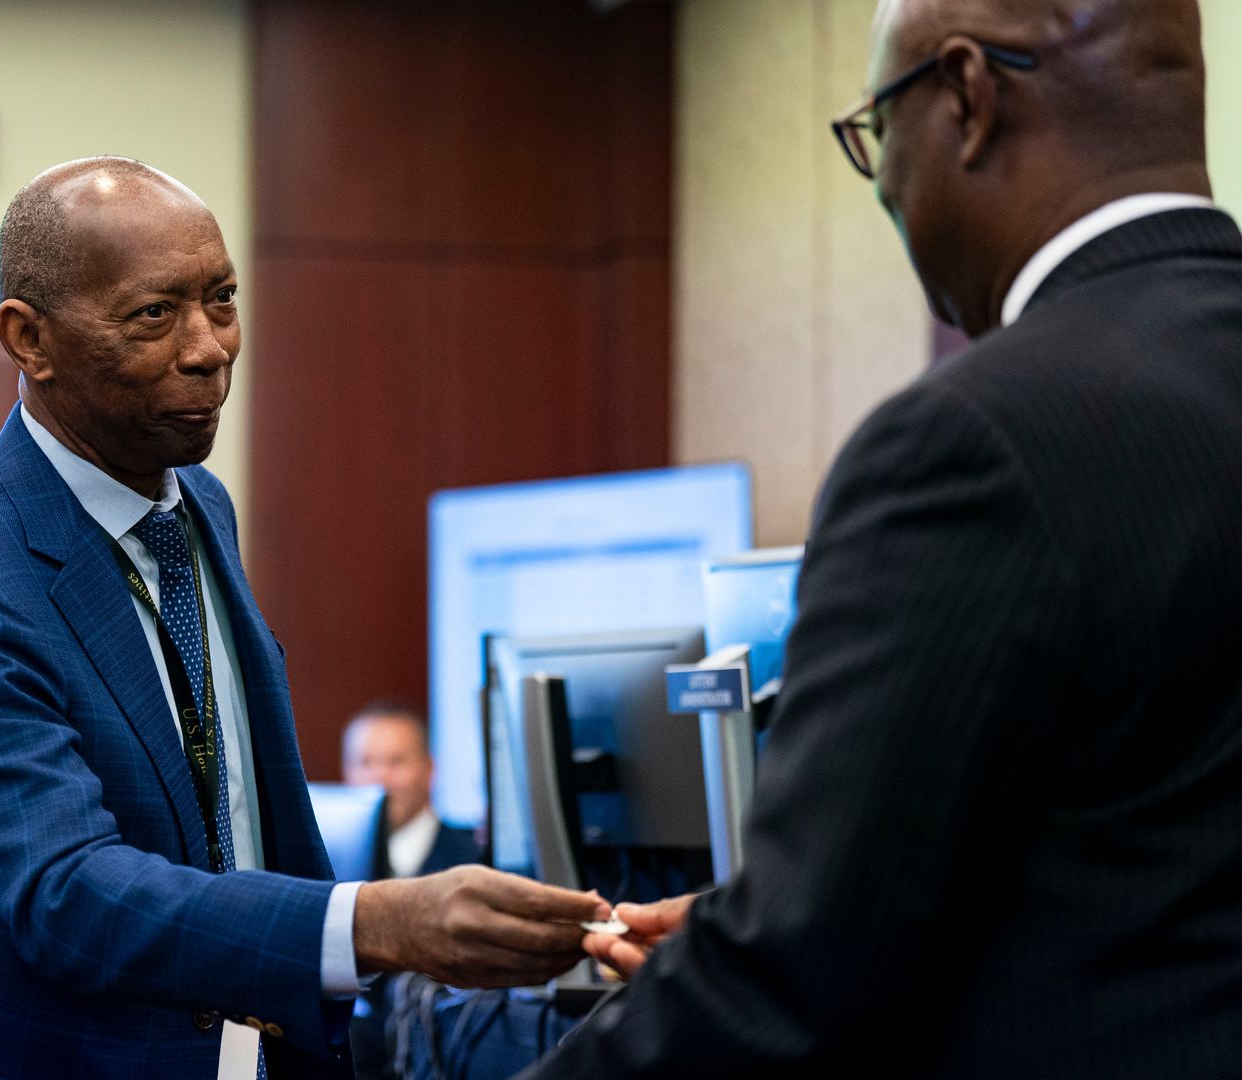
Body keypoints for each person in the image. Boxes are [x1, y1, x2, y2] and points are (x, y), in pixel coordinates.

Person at [522, 1, 1242, 1076]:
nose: (886, 187)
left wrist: (771, 929)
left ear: (966, 97)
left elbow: (787, 995)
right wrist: (764, 907)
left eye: (876, 131)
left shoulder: (973, 442)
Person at [0, 157, 604, 1080]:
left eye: (222, 300)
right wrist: (377, 923)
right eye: (155, 316)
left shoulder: (197, 504)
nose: (209, 347)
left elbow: (235, 806)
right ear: (28, 339)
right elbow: (66, 895)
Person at [341, 702, 478, 879]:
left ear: (428, 769)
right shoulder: (328, 865)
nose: (379, 777)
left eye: (396, 761)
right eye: (365, 762)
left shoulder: (476, 858)